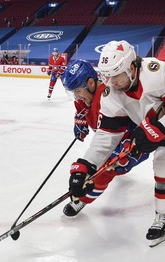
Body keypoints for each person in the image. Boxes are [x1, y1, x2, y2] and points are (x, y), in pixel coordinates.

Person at [67, 40, 165, 247]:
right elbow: (107, 134)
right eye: (107, 75)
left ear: (131, 67)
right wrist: (86, 164)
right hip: (150, 125)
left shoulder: (155, 72)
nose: (111, 82)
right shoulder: (112, 90)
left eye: (116, 75)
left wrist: (159, 129)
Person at [61, 59, 149, 216]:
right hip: (112, 139)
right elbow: (81, 106)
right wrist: (80, 120)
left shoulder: (109, 96)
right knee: (101, 165)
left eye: (78, 91)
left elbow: (139, 118)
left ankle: (84, 199)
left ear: (90, 83)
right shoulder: (87, 96)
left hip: (135, 141)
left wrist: (132, 142)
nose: (76, 96)